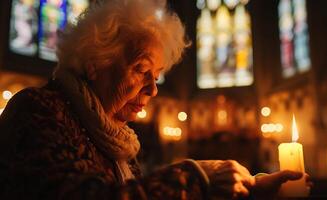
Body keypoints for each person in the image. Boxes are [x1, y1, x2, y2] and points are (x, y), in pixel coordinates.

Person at [0, 0, 310, 199]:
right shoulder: (37, 109)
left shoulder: (116, 140)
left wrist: (251, 189)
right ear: (95, 61)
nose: (153, 89)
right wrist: (198, 178)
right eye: (141, 70)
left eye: (157, 75)